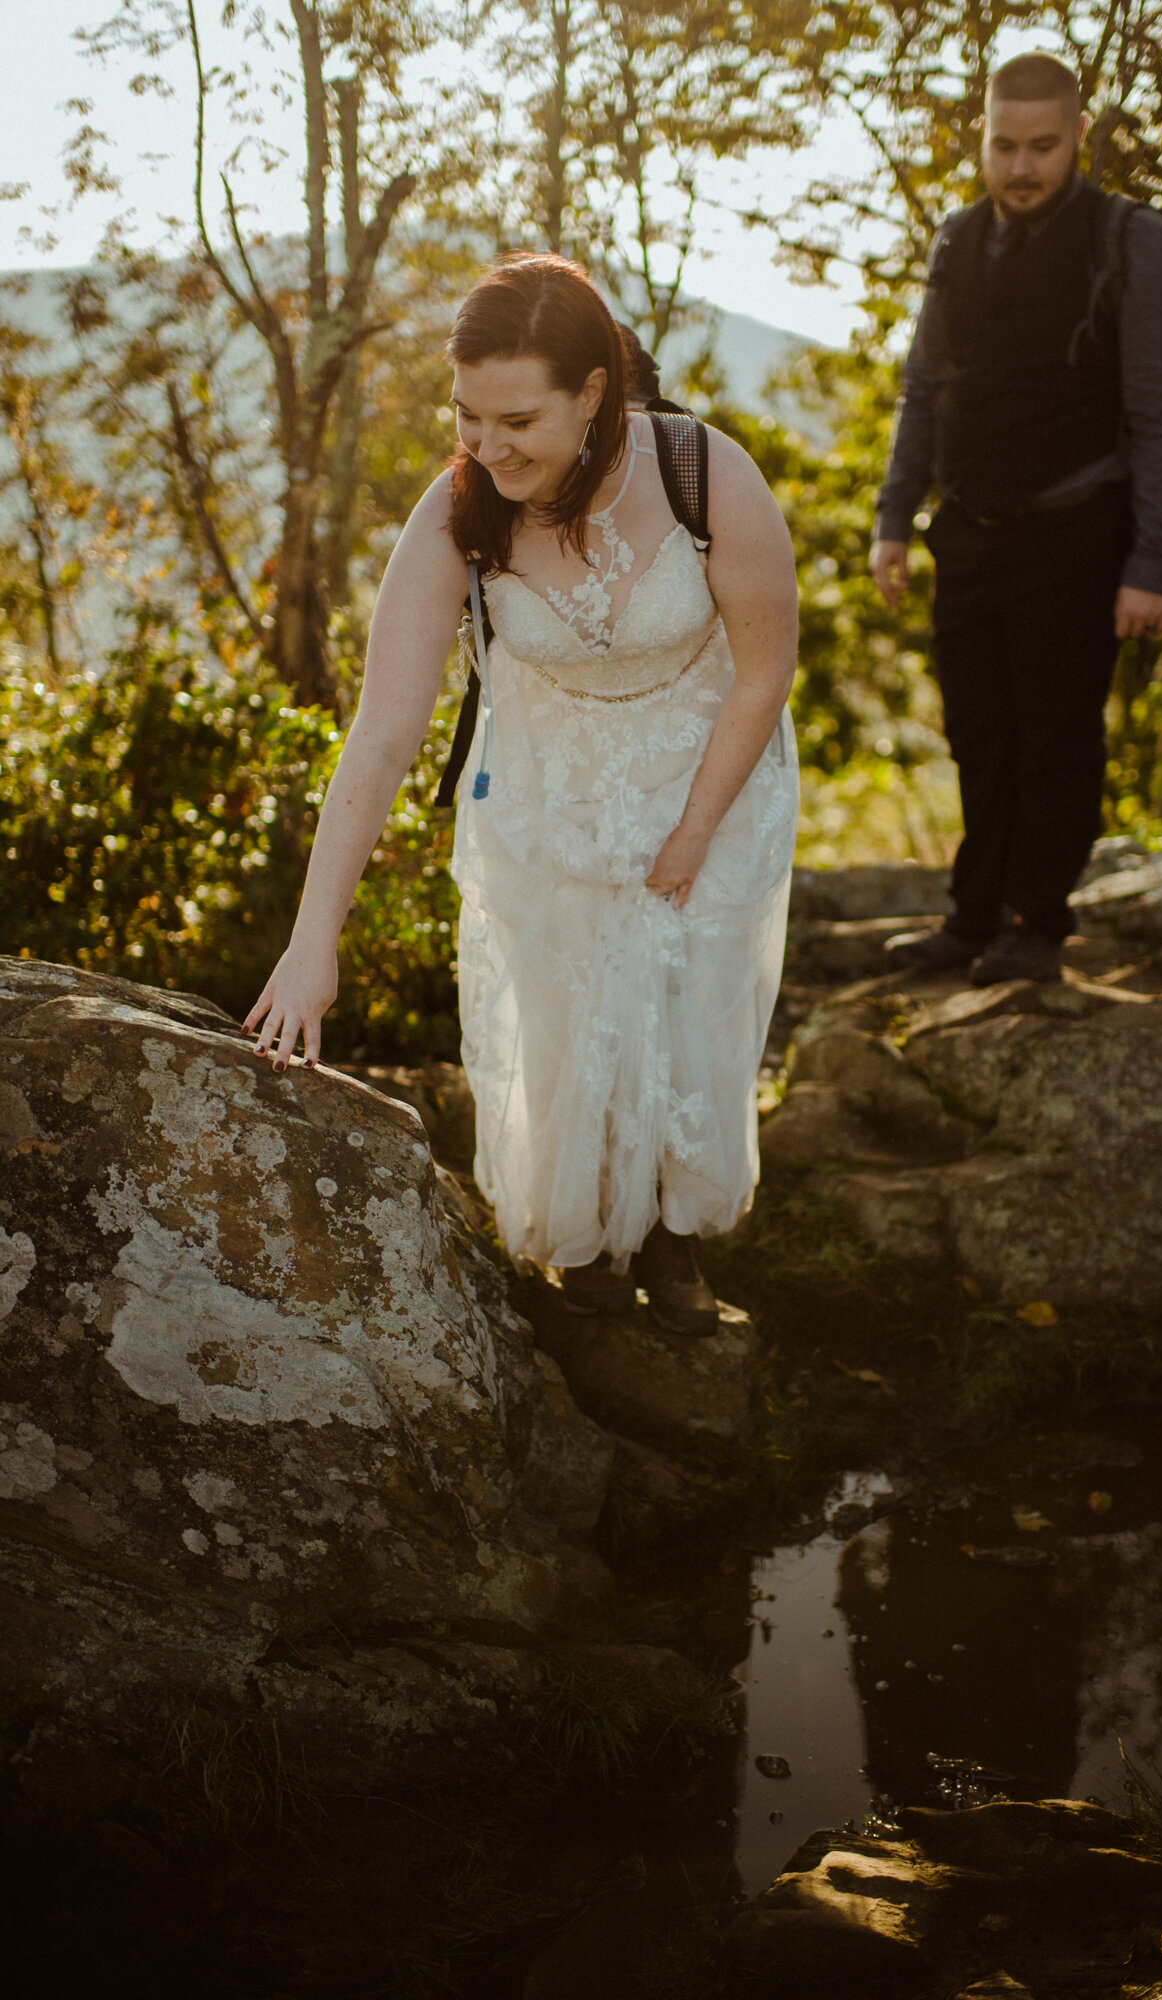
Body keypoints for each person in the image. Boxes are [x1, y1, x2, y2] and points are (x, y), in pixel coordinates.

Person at [245, 255, 799, 1336]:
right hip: (548, 784)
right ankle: (587, 1247)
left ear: (593, 392)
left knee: (686, 1002)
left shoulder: (703, 472)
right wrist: (316, 939)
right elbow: (384, 734)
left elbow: (767, 666)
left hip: (708, 764)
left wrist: (692, 831)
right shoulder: (459, 511)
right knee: (567, 1011)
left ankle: (675, 1239)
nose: (487, 446)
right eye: (466, 416)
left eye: (517, 419)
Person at [871, 50, 1162, 985]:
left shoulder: (1127, 239)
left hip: (1077, 528)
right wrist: (893, 518)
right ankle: (971, 919)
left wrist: (1153, 561)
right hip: (967, 531)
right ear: (981, 135)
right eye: (1003, 146)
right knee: (977, 733)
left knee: (1056, 735)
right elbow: (924, 387)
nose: (1020, 167)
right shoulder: (957, 240)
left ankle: (1035, 924)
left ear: (1079, 138)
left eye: (1043, 147)